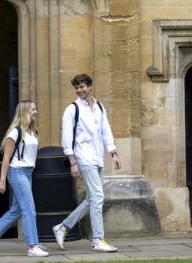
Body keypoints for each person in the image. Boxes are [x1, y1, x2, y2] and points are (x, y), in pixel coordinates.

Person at [52, 73, 121, 253]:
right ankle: (98, 239)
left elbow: (106, 131)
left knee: (92, 199)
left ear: (90, 87)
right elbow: (67, 138)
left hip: (98, 157)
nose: (79, 90)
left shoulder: (99, 106)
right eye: (77, 88)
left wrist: (113, 153)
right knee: (98, 198)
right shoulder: (72, 109)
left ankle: (63, 227)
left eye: (82, 87)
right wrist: (73, 162)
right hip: (83, 157)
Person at [0, 100, 48, 257]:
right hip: (16, 172)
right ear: (25, 111)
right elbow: (6, 158)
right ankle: (33, 246)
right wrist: (2, 180)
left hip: (27, 172)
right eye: (33, 109)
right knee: (29, 209)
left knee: (17, 209)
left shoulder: (33, 131)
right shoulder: (15, 132)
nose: (36, 112)